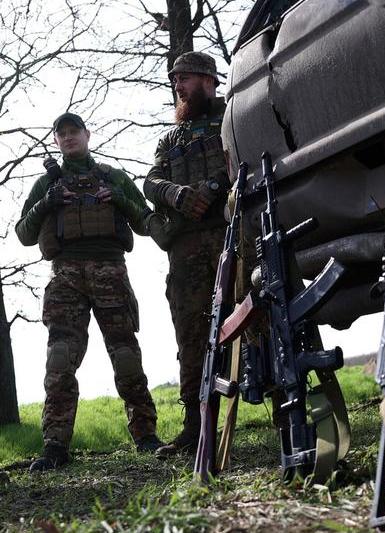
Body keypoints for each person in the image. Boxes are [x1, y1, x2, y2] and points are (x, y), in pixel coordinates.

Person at [15, 112, 163, 472]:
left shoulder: (113, 177)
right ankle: (55, 447)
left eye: (74, 132)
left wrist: (117, 198)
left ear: (87, 134)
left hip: (111, 273)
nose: (68, 138)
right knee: (60, 360)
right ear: (56, 141)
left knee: (126, 356)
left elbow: (146, 223)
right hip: (65, 277)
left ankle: (146, 436)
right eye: (61, 134)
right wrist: (47, 201)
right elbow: (22, 233)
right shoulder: (46, 185)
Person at [143, 52, 230, 457]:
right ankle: (195, 427)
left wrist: (212, 189)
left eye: (186, 79)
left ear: (209, 80)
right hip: (186, 251)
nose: (178, 86)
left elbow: (244, 158)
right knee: (190, 335)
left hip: (232, 237)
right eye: (176, 80)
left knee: (258, 321)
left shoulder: (232, 116)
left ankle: (286, 413)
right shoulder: (171, 138)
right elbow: (150, 181)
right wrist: (177, 194)